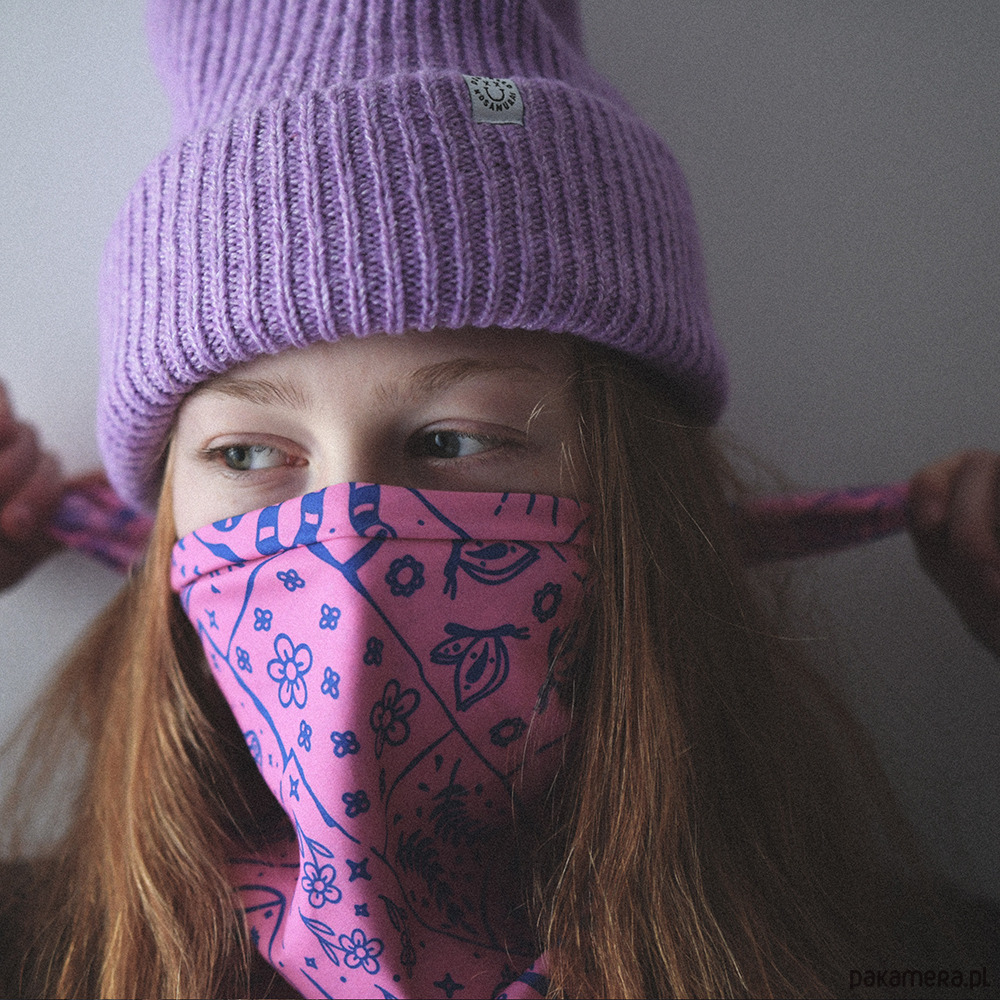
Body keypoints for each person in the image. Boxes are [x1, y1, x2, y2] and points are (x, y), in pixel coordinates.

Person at [0, 2, 996, 997]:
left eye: (454, 439)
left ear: (634, 490)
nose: (347, 543)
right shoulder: (45, 952)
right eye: (249, 452)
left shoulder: (899, 959)